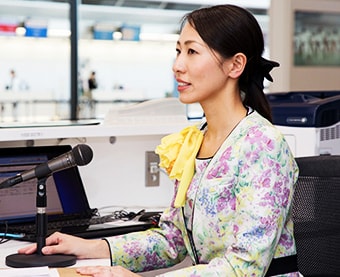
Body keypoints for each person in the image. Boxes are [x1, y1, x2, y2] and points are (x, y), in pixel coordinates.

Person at [18, 5, 299, 276]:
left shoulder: (262, 145)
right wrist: (91, 246)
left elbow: (245, 267)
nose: (177, 65)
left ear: (235, 65)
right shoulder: (195, 141)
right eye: (178, 51)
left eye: (192, 52)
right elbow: (173, 241)